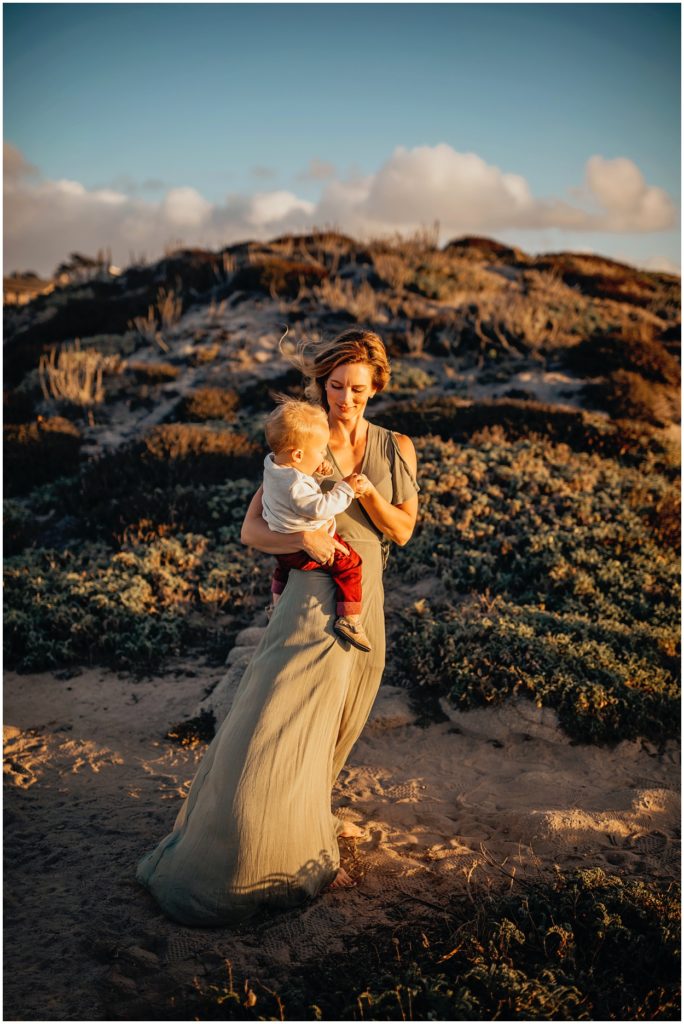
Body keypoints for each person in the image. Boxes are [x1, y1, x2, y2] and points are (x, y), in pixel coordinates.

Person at [135, 327, 420, 925]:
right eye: (336, 386)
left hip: (365, 598)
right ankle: (246, 846)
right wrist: (304, 541)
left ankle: (307, 828)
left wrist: (365, 494)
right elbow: (253, 531)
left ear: (376, 387)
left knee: (339, 723)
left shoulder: (397, 447)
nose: (346, 399)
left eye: (358, 389)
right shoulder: (303, 439)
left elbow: (401, 530)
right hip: (310, 601)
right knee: (282, 723)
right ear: (322, 384)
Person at [262, 397, 373, 652]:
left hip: (283, 546)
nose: (324, 454)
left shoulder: (273, 465)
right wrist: (345, 488)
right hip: (306, 550)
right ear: (298, 454)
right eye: (321, 451)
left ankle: (276, 605)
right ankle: (350, 619)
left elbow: (295, 487)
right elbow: (318, 507)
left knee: (282, 570)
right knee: (351, 565)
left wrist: (314, 472)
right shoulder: (295, 485)